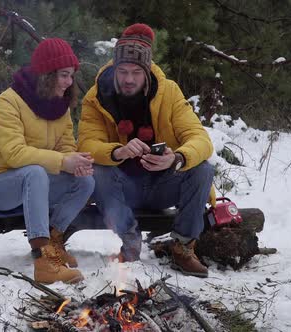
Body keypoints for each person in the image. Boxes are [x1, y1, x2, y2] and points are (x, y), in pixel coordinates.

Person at [77, 24, 215, 278]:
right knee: (97, 170)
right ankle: (130, 241)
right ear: (114, 69)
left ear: (147, 71)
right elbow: (86, 144)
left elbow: (201, 139)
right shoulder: (96, 98)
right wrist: (117, 152)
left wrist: (176, 158)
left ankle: (183, 247)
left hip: (162, 186)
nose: (129, 79)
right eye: (123, 72)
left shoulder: (168, 92)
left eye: (136, 73)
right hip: (119, 192)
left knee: (202, 168)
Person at [0, 38, 95, 284]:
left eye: (71, 76)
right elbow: (15, 154)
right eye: (64, 75)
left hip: (35, 184)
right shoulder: (9, 101)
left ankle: (54, 241)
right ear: (46, 74)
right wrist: (63, 162)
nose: (69, 82)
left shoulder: (60, 106)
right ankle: (43, 261)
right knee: (35, 172)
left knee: (85, 183)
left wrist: (76, 162)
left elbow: (65, 147)